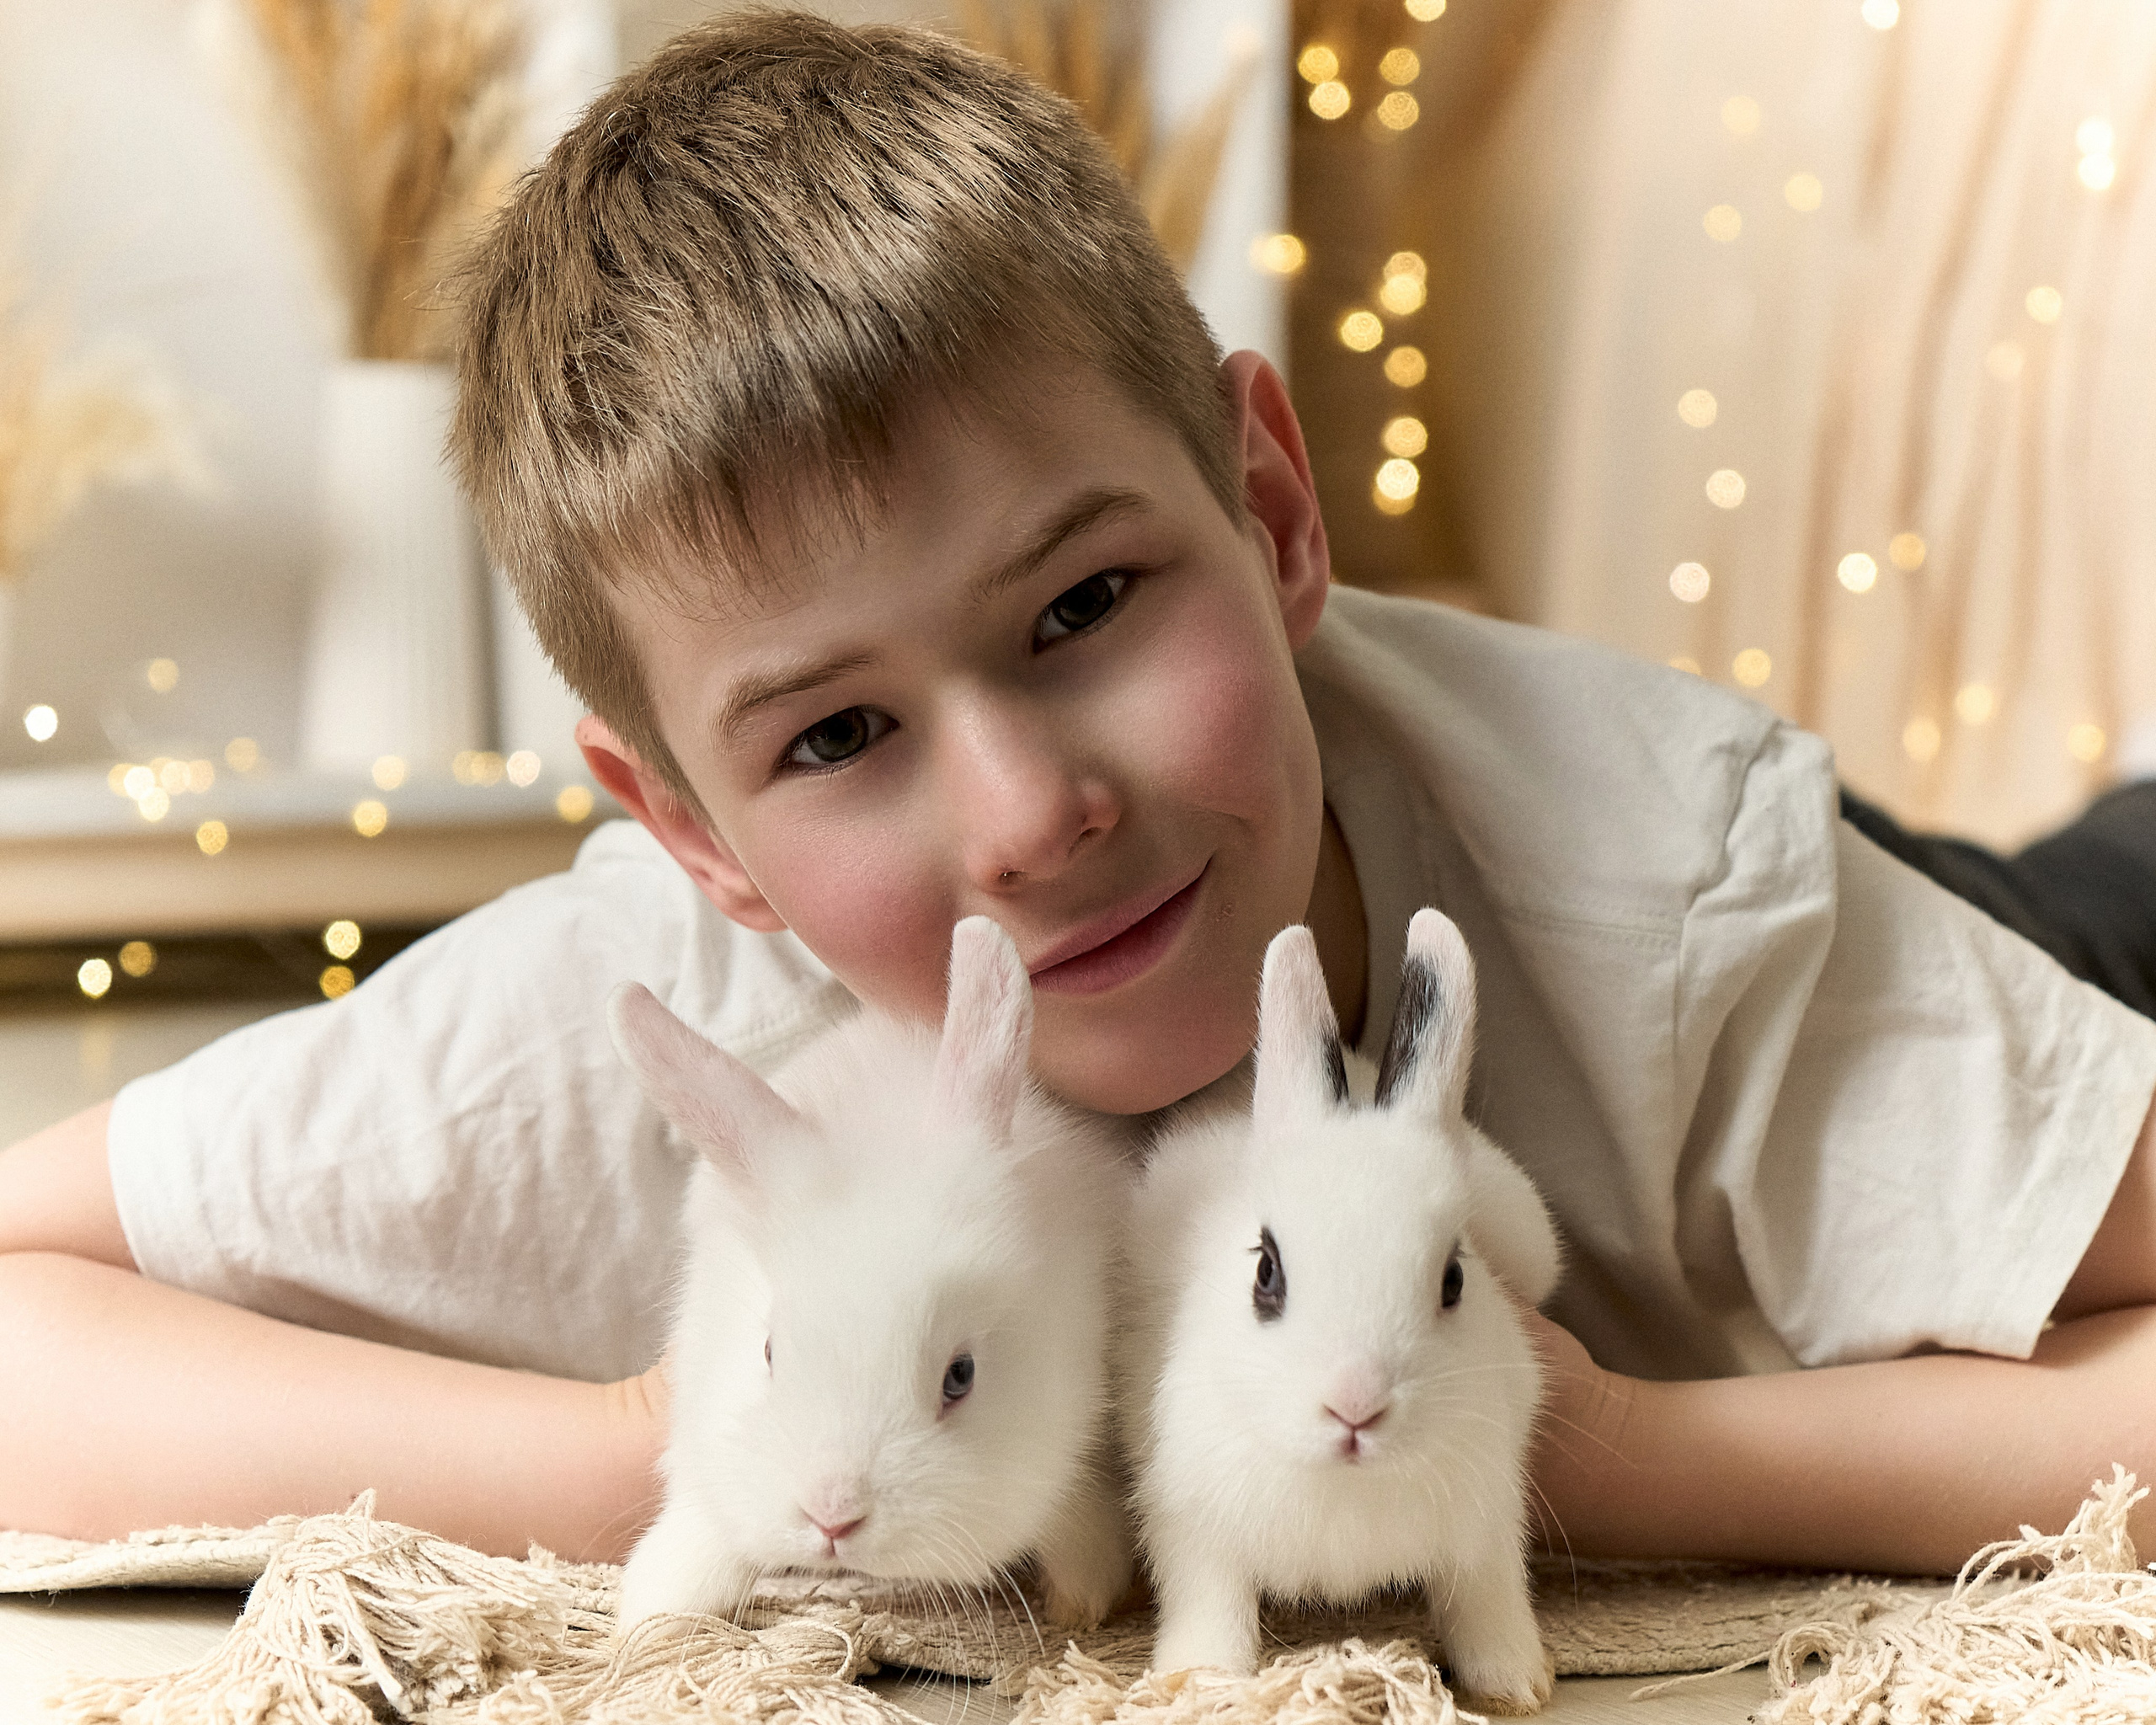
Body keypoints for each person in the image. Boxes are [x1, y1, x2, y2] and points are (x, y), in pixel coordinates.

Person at [3, 12, 2153, 1575]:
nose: (1028, 814)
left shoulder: (1671, 883)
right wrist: (672, 1442)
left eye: (1087, 601)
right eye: (831, 737)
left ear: (1275, 509)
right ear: (693, 839)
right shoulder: (638, 1019)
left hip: (1989, 929)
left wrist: (1593, 1446)